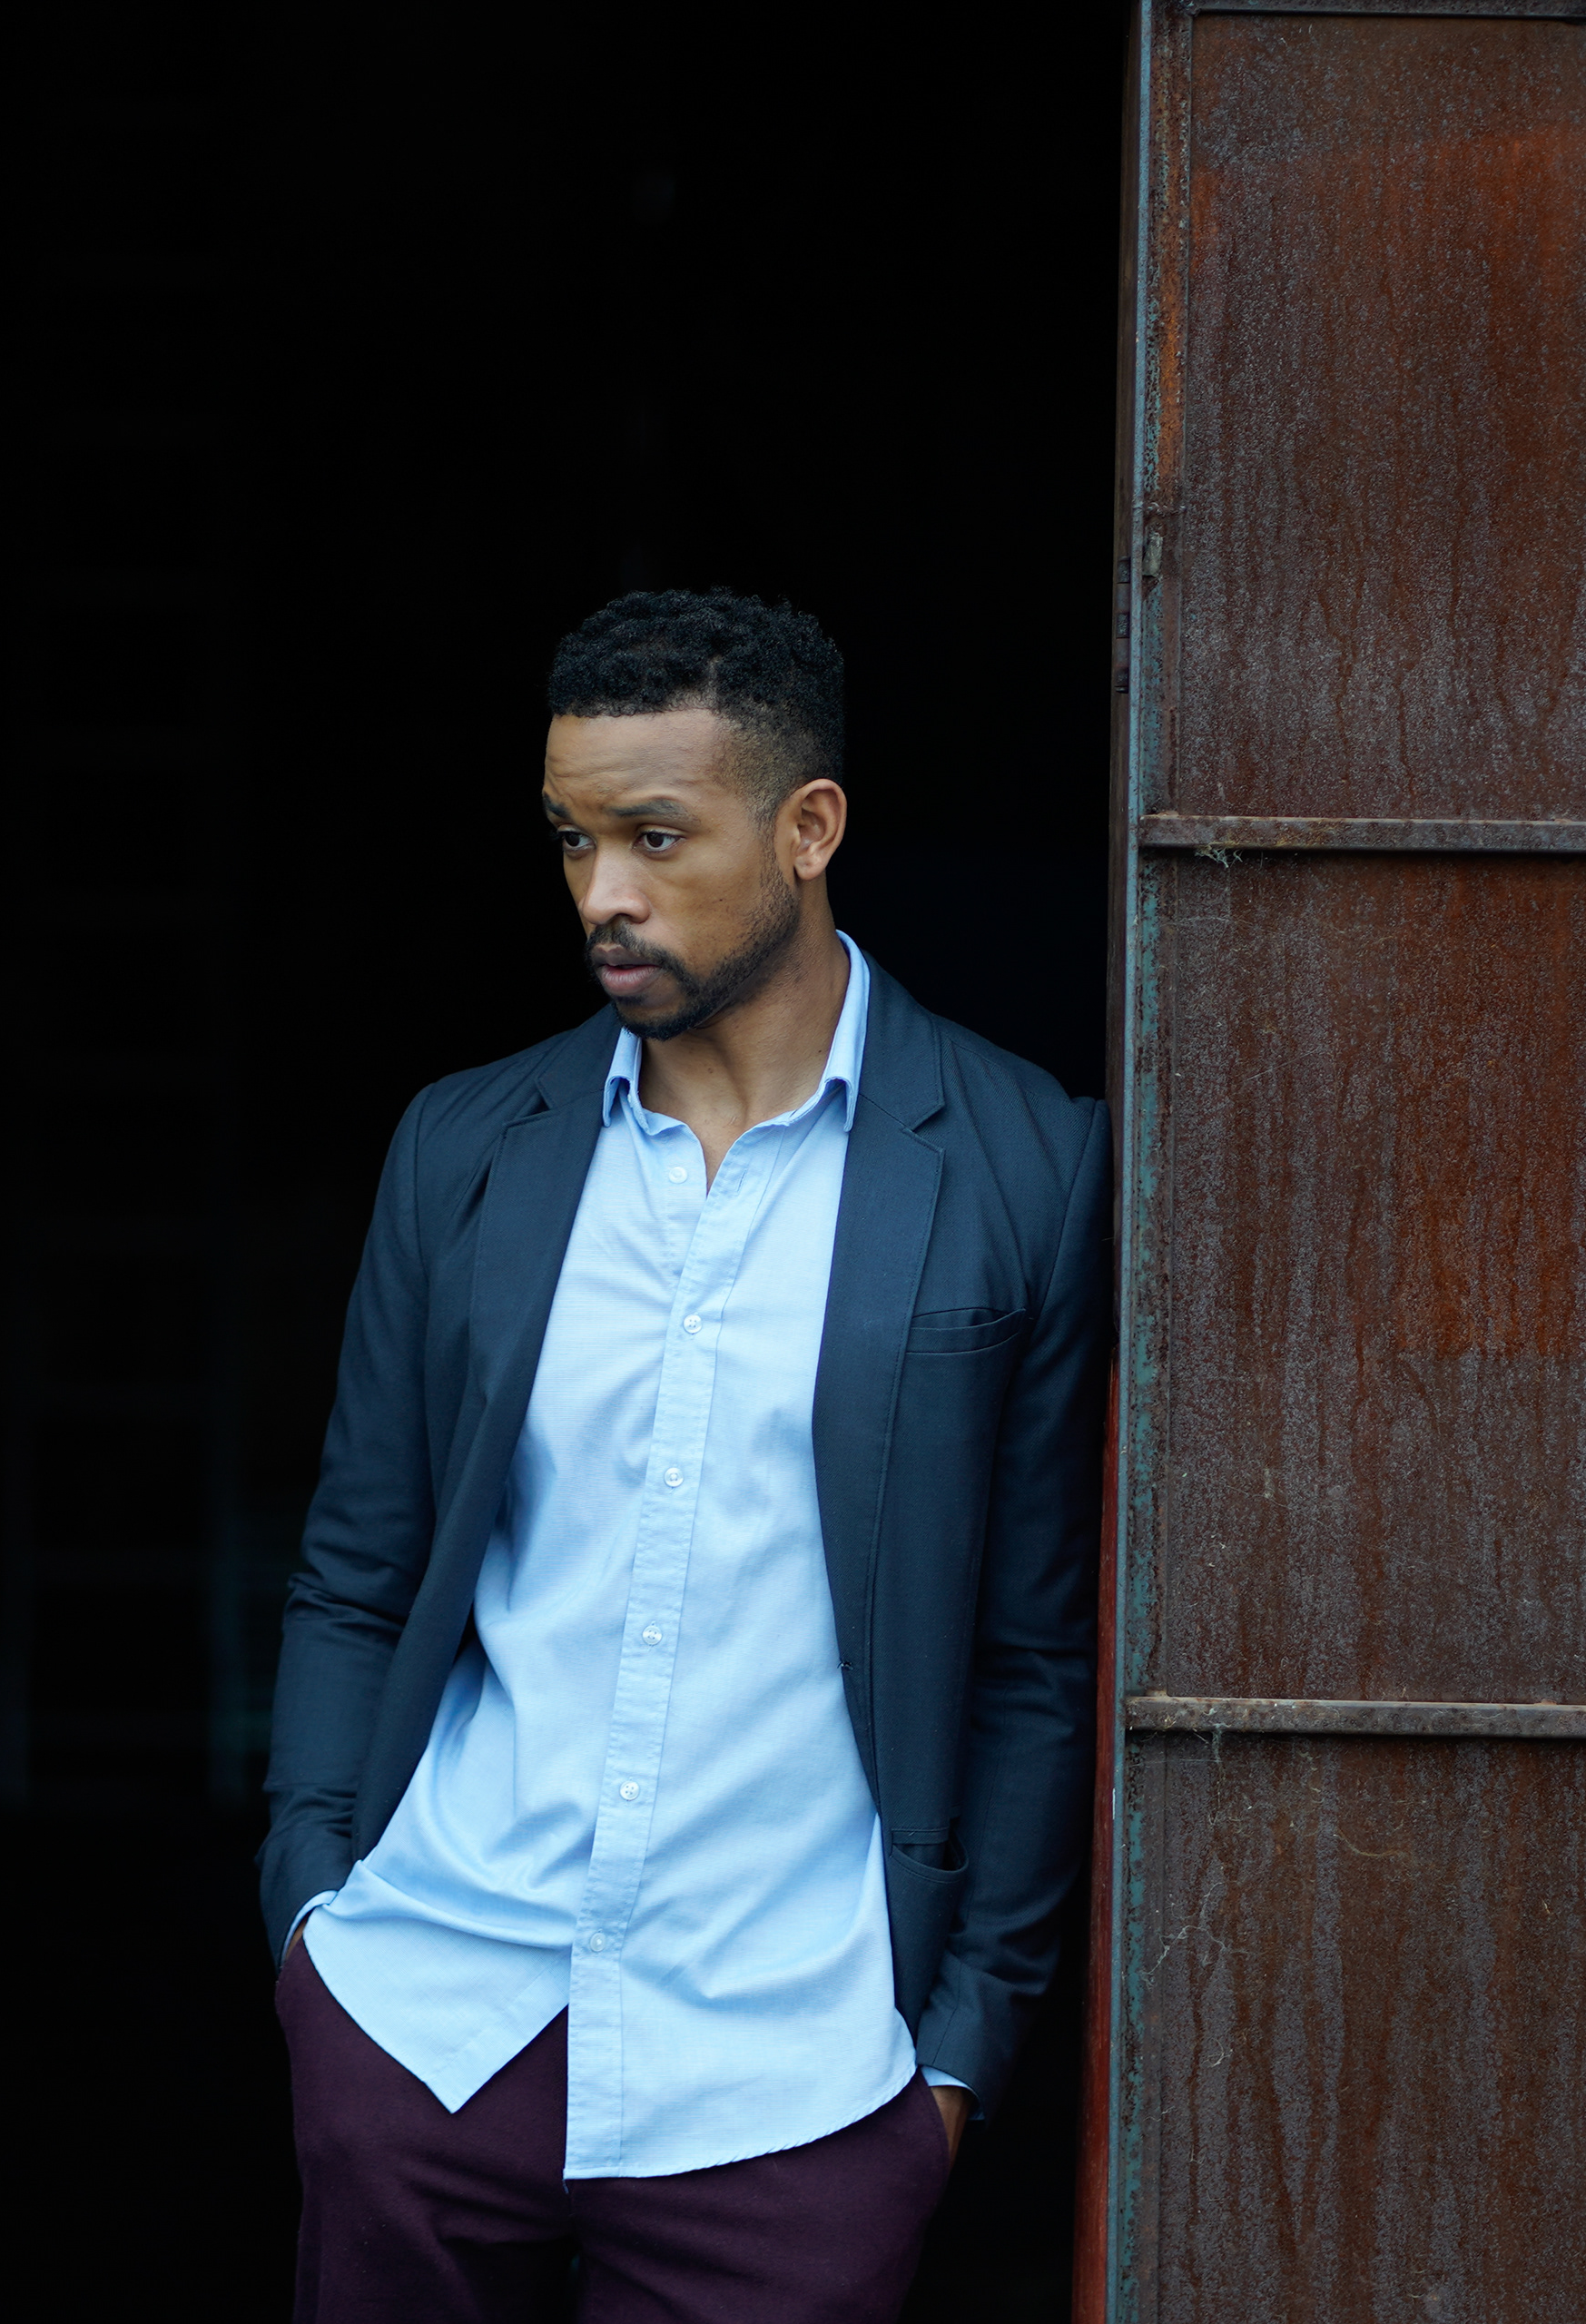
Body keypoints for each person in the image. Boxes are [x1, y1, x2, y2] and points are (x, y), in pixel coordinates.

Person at [261, 589, 1108, 2323]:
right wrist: (313, 1928)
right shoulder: (466, 1148)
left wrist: (955, 2060)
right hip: (433, 2021)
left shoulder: (1024, 1164)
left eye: (656, 838)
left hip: (795, 2078)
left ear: (810, 830)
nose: (602, 895)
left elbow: (1034, 1659)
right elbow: (355, 1573)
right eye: (573, 841)